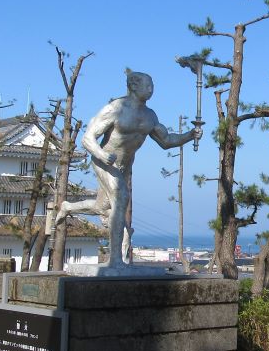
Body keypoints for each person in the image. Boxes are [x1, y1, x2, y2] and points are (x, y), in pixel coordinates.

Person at [55, 70, 200, 269]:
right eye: (147, 86)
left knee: (102, 206)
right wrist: (101, 154)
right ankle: (115, 259)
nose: (151, 90)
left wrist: (189, 135)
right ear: (133, 86)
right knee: (121, 199)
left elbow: (166, 141)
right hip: (105, 162)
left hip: (124, 166)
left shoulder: (150, 115)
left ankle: (68, 207)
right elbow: (87, 138)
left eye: (153, 86)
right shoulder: (115, 109)